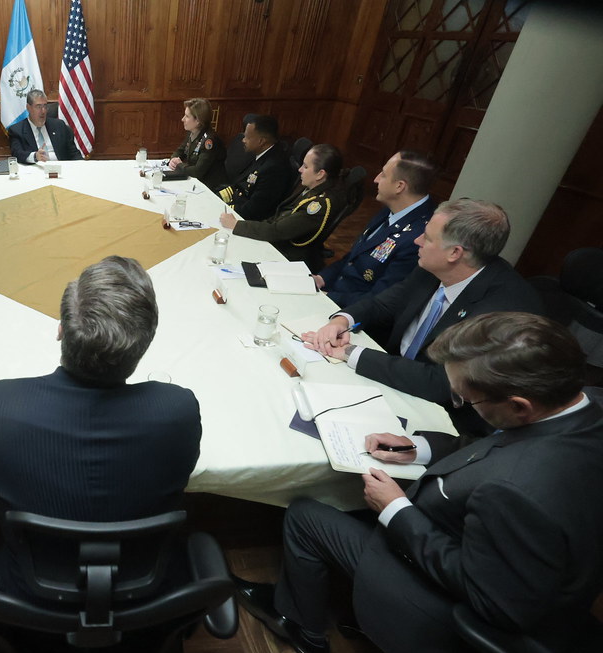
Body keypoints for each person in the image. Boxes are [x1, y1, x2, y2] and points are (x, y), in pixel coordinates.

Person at [232, 312, 603, 653]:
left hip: (444, 614)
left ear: (519, 405)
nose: (462, 402)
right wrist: (420, 448)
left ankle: (302, 628)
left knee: (303, 515)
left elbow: (490, 600)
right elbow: (501, 445)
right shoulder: (580, 408)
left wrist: (396, 509)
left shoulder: (519, 490)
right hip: (511, 558)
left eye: (466, 400)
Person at [0, 256, 201, 597]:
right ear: (145, 344)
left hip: (30, 597)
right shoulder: (177, 410)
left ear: (61, 330)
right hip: (146, 591)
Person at [302, 198, 543, 435]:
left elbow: (444, 383)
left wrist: (351, 353)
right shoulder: (432, 267)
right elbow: (385, 304)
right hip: (393, 380)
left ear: (454, 253)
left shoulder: (502, 312)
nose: (417, 240)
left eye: (427, 237)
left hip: (441, 419)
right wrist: (342, 320)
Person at [315, 150, 438, 306]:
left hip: (355, 315)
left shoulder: (419, 237)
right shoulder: (393, 209)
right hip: (335, 293)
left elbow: (380, 299)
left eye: (384, 175)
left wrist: (327, 297)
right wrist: (321, 279)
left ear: (399, 186)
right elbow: (353, 257)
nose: (376, 179)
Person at [220, 143, 348, 269]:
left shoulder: (319, 205)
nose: (300, 169)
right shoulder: (312, 188)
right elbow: (280, 216)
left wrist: (236, 225)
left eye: (305, 166)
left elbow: (278, 231)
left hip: (286, 256)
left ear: (320, 174)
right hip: (277, 241)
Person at [216, 115, 294, 221]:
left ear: (261, 141)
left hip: (249, 222)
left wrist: (222, 209)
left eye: (247, 137)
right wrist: (217, 197)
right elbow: (242, 186)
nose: (243, 140)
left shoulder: (274, 167)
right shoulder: (263, 154)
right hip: (239, 205)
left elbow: (254, 210)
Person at [167, 97, 227, 192]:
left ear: (198, 121)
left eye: (187, 116)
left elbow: (197, 171)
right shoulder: (193, 132)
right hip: (195, 183)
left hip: (209, 189)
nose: (183, 119)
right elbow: (180, 151)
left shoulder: (209, 141)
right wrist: (173, 159)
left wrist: (179, 165)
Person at [7, 89, 82, 163]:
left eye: (45, 106)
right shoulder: (17, 130)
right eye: (38, 107)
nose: (43, 111)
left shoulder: (59, 126)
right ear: (28, 108)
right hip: (35, 171)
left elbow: (74, 153)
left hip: (61, 168)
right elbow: (17, 154)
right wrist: (35, 156)